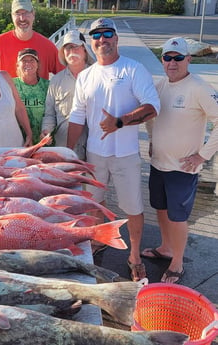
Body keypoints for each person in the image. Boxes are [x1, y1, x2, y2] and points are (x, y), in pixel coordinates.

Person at [67, 18, 160, 282]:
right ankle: (101, 239)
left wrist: (119, 122)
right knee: (95, 202)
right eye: (96, 35)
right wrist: (68, 153)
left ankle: (135, 256)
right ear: (91, 43)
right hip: (96, 154)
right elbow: (77, 116)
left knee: (132, 207)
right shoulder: (86, 75)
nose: (102, 39)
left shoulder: (133, 69)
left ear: (116, 38)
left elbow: (152, 106)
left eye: (108, 33)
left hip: (126, 155)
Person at [141, 37, 218, 284]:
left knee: (178, 217)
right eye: (167, 58)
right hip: (158, 164)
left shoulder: (199, 87)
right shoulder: (160, 86)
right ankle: (165, 248)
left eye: (177, 58)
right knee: (160, 209)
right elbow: (151, 117)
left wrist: (203, 155)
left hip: (183, 168)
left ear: (188, 59)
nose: (172, 63)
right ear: (162, 60)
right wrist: (152, 140)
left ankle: (178, 262)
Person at [41, 29, 95, 160]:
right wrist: (46, 130)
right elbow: (49, 113)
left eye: (75, 47)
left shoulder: (98, 75)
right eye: (67, 48)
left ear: (84, 49)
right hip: (63, 148)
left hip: (93, 150)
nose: (71, 52)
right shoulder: (56, 80)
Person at [0, 0, 64, 79]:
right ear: (12, 16)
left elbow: (65, 75)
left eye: (26, 13)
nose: (22, 18)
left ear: (33, 14)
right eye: (17, 13)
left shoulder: (47, 46)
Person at [14, 48, 49, 144]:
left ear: (38, 64)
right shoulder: (11, 85)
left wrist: (49, 131)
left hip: (44, 141)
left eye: (32, 60)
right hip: (18, 142)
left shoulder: (48, 85)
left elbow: (54, 112)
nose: (28, 63)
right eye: (24, 61)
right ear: (18, 65)